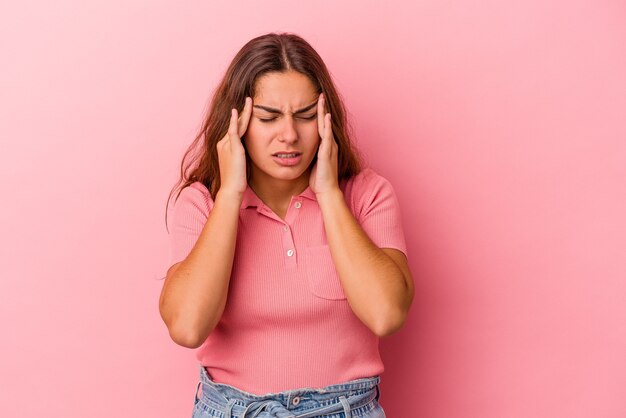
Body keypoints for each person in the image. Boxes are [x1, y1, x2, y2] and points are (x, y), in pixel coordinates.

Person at [160, 32, 414, 418]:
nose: (289, 135)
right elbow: (188, 327)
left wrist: (329, 194)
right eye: (268, 117)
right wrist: (230, 194)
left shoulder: (367, 195)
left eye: (306, 115)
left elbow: (386, 314)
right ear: (236, 122)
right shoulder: (202, 203)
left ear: (326, 118)